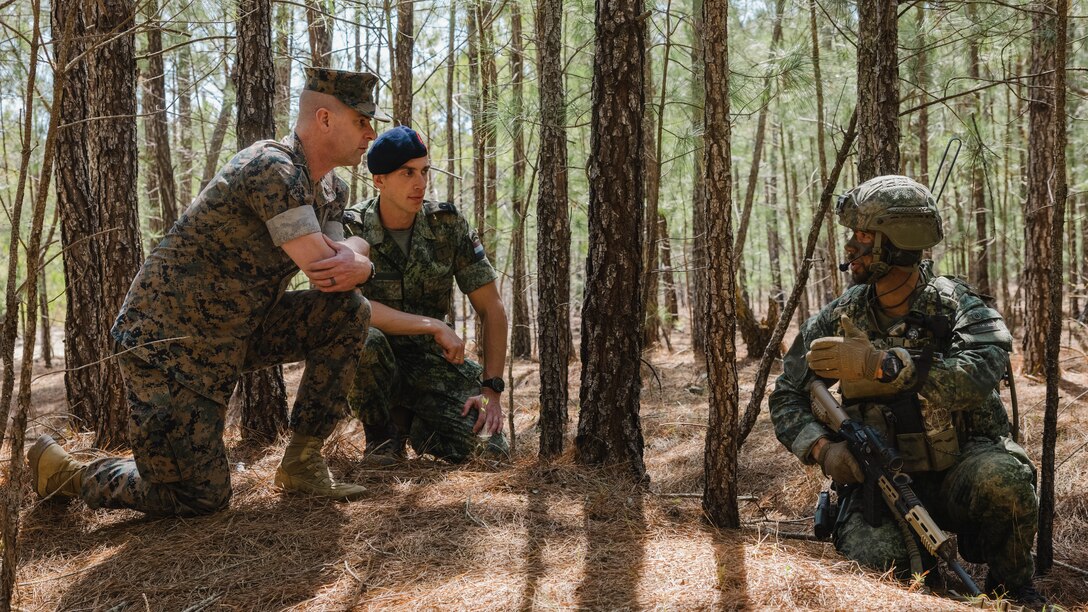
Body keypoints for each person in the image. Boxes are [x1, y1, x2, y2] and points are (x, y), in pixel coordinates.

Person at [28, 67, 390, 517]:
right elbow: (324, 267)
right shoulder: (270, 168)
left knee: (346, 311)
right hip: (169, 345)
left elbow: (342, 255)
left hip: (235, 333)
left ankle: (302, 463)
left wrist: (358, 257)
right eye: (361, 121)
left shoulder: (330, 186)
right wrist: (360, 262)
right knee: (198, 497)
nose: (371, 133)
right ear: (325, 119)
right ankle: (67, 474)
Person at [769, 175, 1045, 606]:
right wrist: (825, 450)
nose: (851, 247)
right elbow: (787, 395)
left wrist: (884, 365)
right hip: (879, 483)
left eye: (863, 235)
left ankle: (1012, 586)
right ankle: (926, 581)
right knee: (878, 566)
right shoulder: (840, 316)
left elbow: (978, 375)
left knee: (1004, 479)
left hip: (961, 469)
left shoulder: (958, 306)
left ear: (895, 243)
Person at [342, 126, 509, 464]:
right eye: (407, 173)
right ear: (380, 180)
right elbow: (349, 308)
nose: (420, 183)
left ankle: (414, 423)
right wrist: (433, 325)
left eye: (424, 171)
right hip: (375, 364)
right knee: (364, 338)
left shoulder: (446, 225)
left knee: (490, 454)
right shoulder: (353, 228)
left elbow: (492, 308)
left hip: (433, 364)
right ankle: (381, 436)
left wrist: (491, 389)